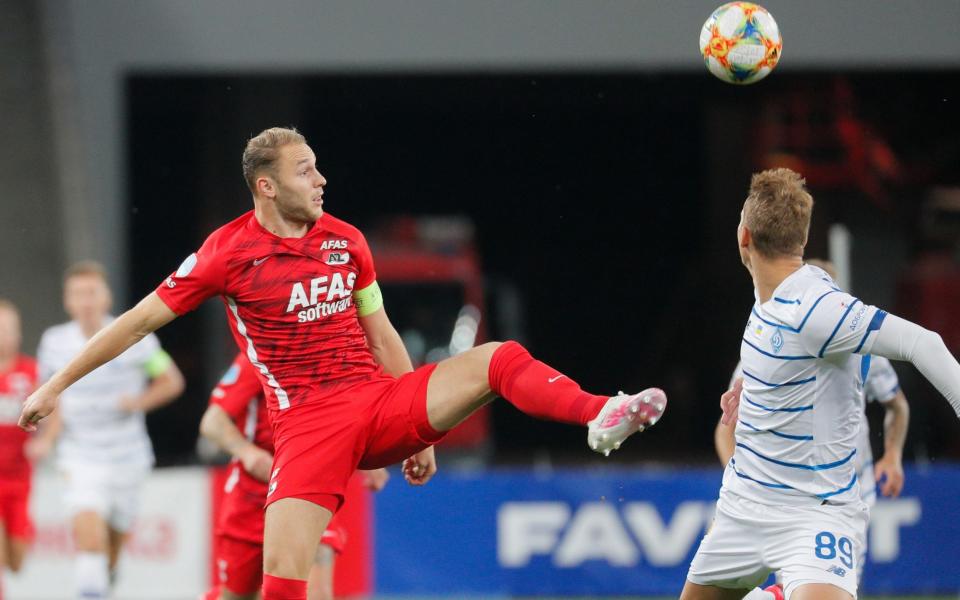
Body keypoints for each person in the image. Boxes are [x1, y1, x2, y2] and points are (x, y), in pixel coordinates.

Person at [18, 127, 667, 600]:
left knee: (495, 358)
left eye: (319, 167)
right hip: (305, 428)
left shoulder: (347, 241)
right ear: (266, 186)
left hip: (376, 402)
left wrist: (421, 420)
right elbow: (137, 321)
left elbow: (379, 330)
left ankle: (598, 413)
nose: (322, 180)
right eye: (306, 171)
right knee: (285, 580)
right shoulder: (226, 254)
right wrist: (56, 383)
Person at [681, 168, 960, 600]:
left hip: (813, 516)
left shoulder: (816, 306)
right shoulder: (766, 301)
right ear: (803, 241)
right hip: (744, 507)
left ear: (744, 237)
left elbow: (923, 343)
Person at [714, 261, 911, 600]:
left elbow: (897, 405)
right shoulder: (767, 347)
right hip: (787, 496)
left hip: (847, 498)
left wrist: (892, 456)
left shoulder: (861, 345)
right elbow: (725, 430)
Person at [33, 261, 185, 599]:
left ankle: (106, 579)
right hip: (80, 456)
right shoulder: (54, 343)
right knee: (90, 544)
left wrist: (138, 402)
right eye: (78, 294)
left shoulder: (133, 337)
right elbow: (51, 397)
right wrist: (47, 439)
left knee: (110, 550)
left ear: (106, 297)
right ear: (67, 301)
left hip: (127, 456)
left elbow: (170, 381)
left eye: (92, 293)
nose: (85, 301)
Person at [201, 353, 389, 600]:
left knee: (318, 594)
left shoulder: (333, 354)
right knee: (239, 595)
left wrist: (369, 457)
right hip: (252, 498)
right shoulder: (258, 356)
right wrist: (247, 453)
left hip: (309, 485)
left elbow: (347, 413)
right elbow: (212, 421)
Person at [0, 299, 40, 592]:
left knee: (16, 561)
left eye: (8, 329)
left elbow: (57, 411)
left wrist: (46, 441)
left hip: (20, 478)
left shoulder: (31, 372)